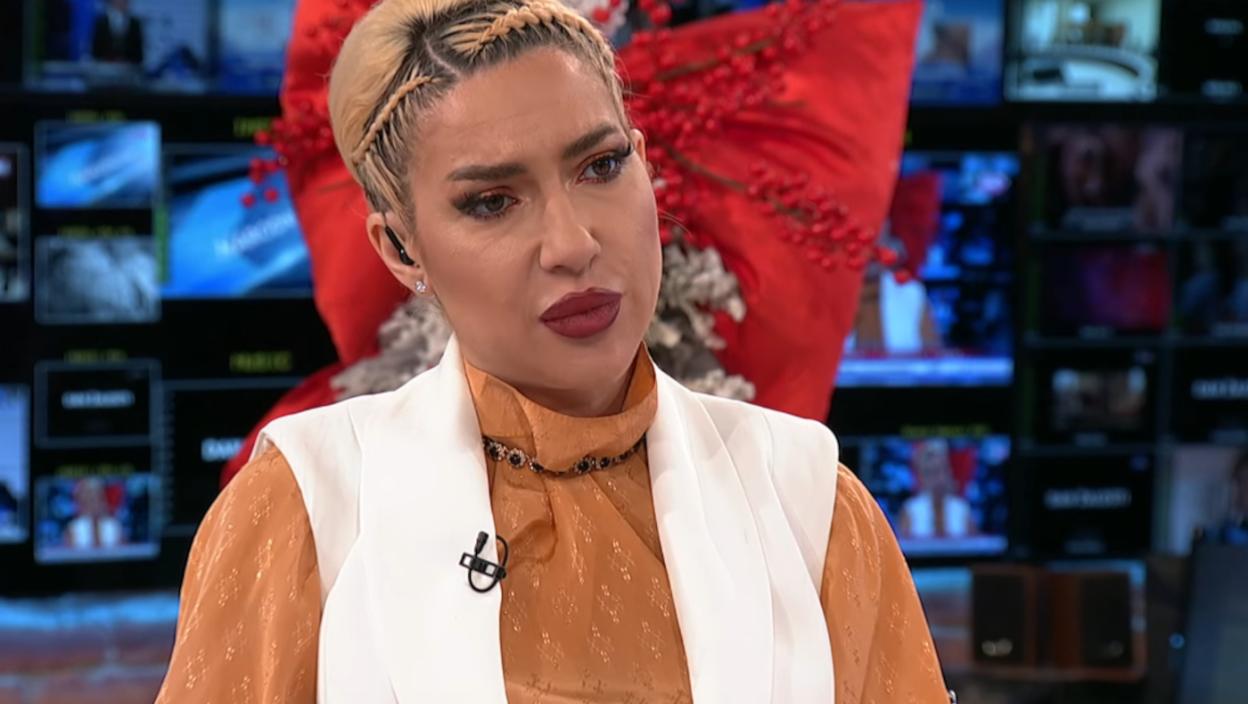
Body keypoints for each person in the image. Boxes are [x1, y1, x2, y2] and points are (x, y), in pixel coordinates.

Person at [155, 0, 948, 701]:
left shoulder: (810, 502)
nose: (572, 244)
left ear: (645, 163)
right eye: (491, 202)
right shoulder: (305, 507)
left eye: (601, 166)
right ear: (400, 248)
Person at [899, 439, 975, 540]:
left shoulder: (962, 509)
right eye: (930, 472)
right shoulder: (910, 510)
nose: (938, 479)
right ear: (921, 477)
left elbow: (975, 545)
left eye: (941, 471)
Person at [91, 0, 144, 66]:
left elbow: (138, 51)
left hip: (129, 66)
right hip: (104, 65)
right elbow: (96, 49)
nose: (121, 2)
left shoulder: (135, 23)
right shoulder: (101, 22)